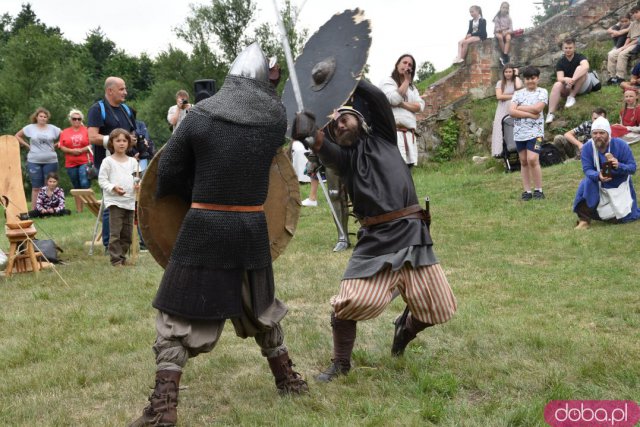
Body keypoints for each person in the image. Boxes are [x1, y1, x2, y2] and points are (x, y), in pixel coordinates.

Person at [128, 43, 307, 427]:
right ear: (261, 83)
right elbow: (281, 154)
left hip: (204, 228)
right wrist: (301, 127)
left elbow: (169, 171)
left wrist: (197, 188)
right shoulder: (274, 118)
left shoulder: (200, 116)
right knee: (263, 308)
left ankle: (164, 408)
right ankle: (287, 380)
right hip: (251, 229)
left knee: (178, 316)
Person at [293, 79, 457, 383]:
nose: (340, 126)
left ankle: (404, 328)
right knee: (347, 304)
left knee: (438, 307)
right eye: (336, 127)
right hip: (375, 242)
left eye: (345, 118)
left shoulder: (384, 137)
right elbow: (320, 145)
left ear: (360, 119)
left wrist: (350, 76)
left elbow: (379, 99)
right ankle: (341, 364)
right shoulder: (343, 159)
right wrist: (306, 133)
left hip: (412, 234)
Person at [87, 76, 136, 252]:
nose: (125, 92)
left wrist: (132, 141)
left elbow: (131, 132)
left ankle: (125, 243)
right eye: (121, 89)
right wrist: (115, 140)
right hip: (107, 162)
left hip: (127, 161)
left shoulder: (126, 110)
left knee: (128, 200)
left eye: (125, 89)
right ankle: (110, 245)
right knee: (112, 202)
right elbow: (92, 137)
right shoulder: (97, 109)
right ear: (110, 90)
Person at [573, 117, 640, 229]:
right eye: (595, 133)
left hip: (618, 184)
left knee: (623, 219)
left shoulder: (621, 145)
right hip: (598, 183)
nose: (598, 136)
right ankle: (584, 219)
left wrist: (619, 165)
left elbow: (632, 168)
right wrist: (598, 175)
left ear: (608, 133)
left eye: (601, 133)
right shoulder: (587, 148)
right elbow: (587, 169)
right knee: (586, 182)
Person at [98, 129, 138, 267]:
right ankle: (115, 260)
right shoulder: (107, 161)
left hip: (130, 201)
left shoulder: (133, 162)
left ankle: (122, 257)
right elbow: (102, 181)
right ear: (112, 143)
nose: (121, 143)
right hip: (115, 201)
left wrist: (138, 185)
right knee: (116, 233)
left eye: (124, 141)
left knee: (127, 233)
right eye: (118, 141)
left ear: (128, 143)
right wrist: (113, 187)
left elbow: (137, 179)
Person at [509, 66, 548, 201]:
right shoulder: (518, 94)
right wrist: (530, 115)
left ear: (537, 78)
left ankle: (539, 189)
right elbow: (512, 112)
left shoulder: (542, 92)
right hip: (519, 133)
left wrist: (520, 108)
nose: (530, 81)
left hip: (536, 133)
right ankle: (527, 191)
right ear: (524, 80)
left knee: (532, 159)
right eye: (527, 79)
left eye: (533, 78)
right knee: (524, 161)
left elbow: (538, 108)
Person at [379, 53, 425, 167]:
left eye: (410, 65)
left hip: (409, 135)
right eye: (404, 62)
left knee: (407, 174)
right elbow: (394, 99)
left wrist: (402, 104)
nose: (407, 66)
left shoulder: (412, 88)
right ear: (397, 65)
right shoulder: (387, 81)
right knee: (394, 171)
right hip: (394, 135)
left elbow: (420, 106)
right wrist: (405, 82)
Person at [14, 107, 61, 210]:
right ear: (36, 117)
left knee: (49, 185)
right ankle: (34, 210)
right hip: (34, 160)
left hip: (51, 160)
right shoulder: (30, 128)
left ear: (47, 119)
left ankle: (49, 209)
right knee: (36, 187)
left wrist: (57, 145)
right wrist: (27, 145)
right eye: (41, 116)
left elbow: (65, 137)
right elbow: (17, 136)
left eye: (45, 117)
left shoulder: (53, 128)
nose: (43, 118)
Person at [546, 37, 595, 124]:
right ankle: (550, 113)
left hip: (583, 85)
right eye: (566, 48)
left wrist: (572, 80)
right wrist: (565, 79)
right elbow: (559, 78)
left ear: (574, 48)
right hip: (569, 86)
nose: (568, 50)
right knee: (557, 84)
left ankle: (571, 97)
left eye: (570, 48)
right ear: (562, 48)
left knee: (581, 69)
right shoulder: (561, 62)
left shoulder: (580, 57)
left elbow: (586, 67)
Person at [58, 109, 92, 213]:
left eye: (79, 119)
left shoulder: (87, 130)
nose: (76, 121)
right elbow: (61, 146)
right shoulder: (65, 132)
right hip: (70, 162)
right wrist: (71, 151)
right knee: (76, 185)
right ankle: (79, 209)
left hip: (84, 160)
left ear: (81, 120)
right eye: (74, 119)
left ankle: (90, 206)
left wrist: (82, 150)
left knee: (84, 182)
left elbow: (92, 144)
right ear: (70, 120)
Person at [491, 64, 522, 157]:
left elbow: (519, 88)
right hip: (503, 108)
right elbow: (499, 96)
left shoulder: (516, 81)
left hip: (515, 107)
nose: (508, 74)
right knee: (501, 129)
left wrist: (516, 75)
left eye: (510, 71)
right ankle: (501, 152)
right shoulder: (500, 83)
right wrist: (514, 95)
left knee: (515, 127)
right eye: (506, 72)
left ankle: (517, 149)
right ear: (503, 73)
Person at [607, 6, 640, 85]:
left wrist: (625, 47)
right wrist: (623, 46)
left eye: (636, 12)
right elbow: (628, 37)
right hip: (629, 43)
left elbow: (638, 39)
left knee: (622, 54)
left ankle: (620, 78)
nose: (634, 15)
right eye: (633, 13)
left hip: (636, 44)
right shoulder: (633, 24)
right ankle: (612, 77)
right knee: (611, 54)